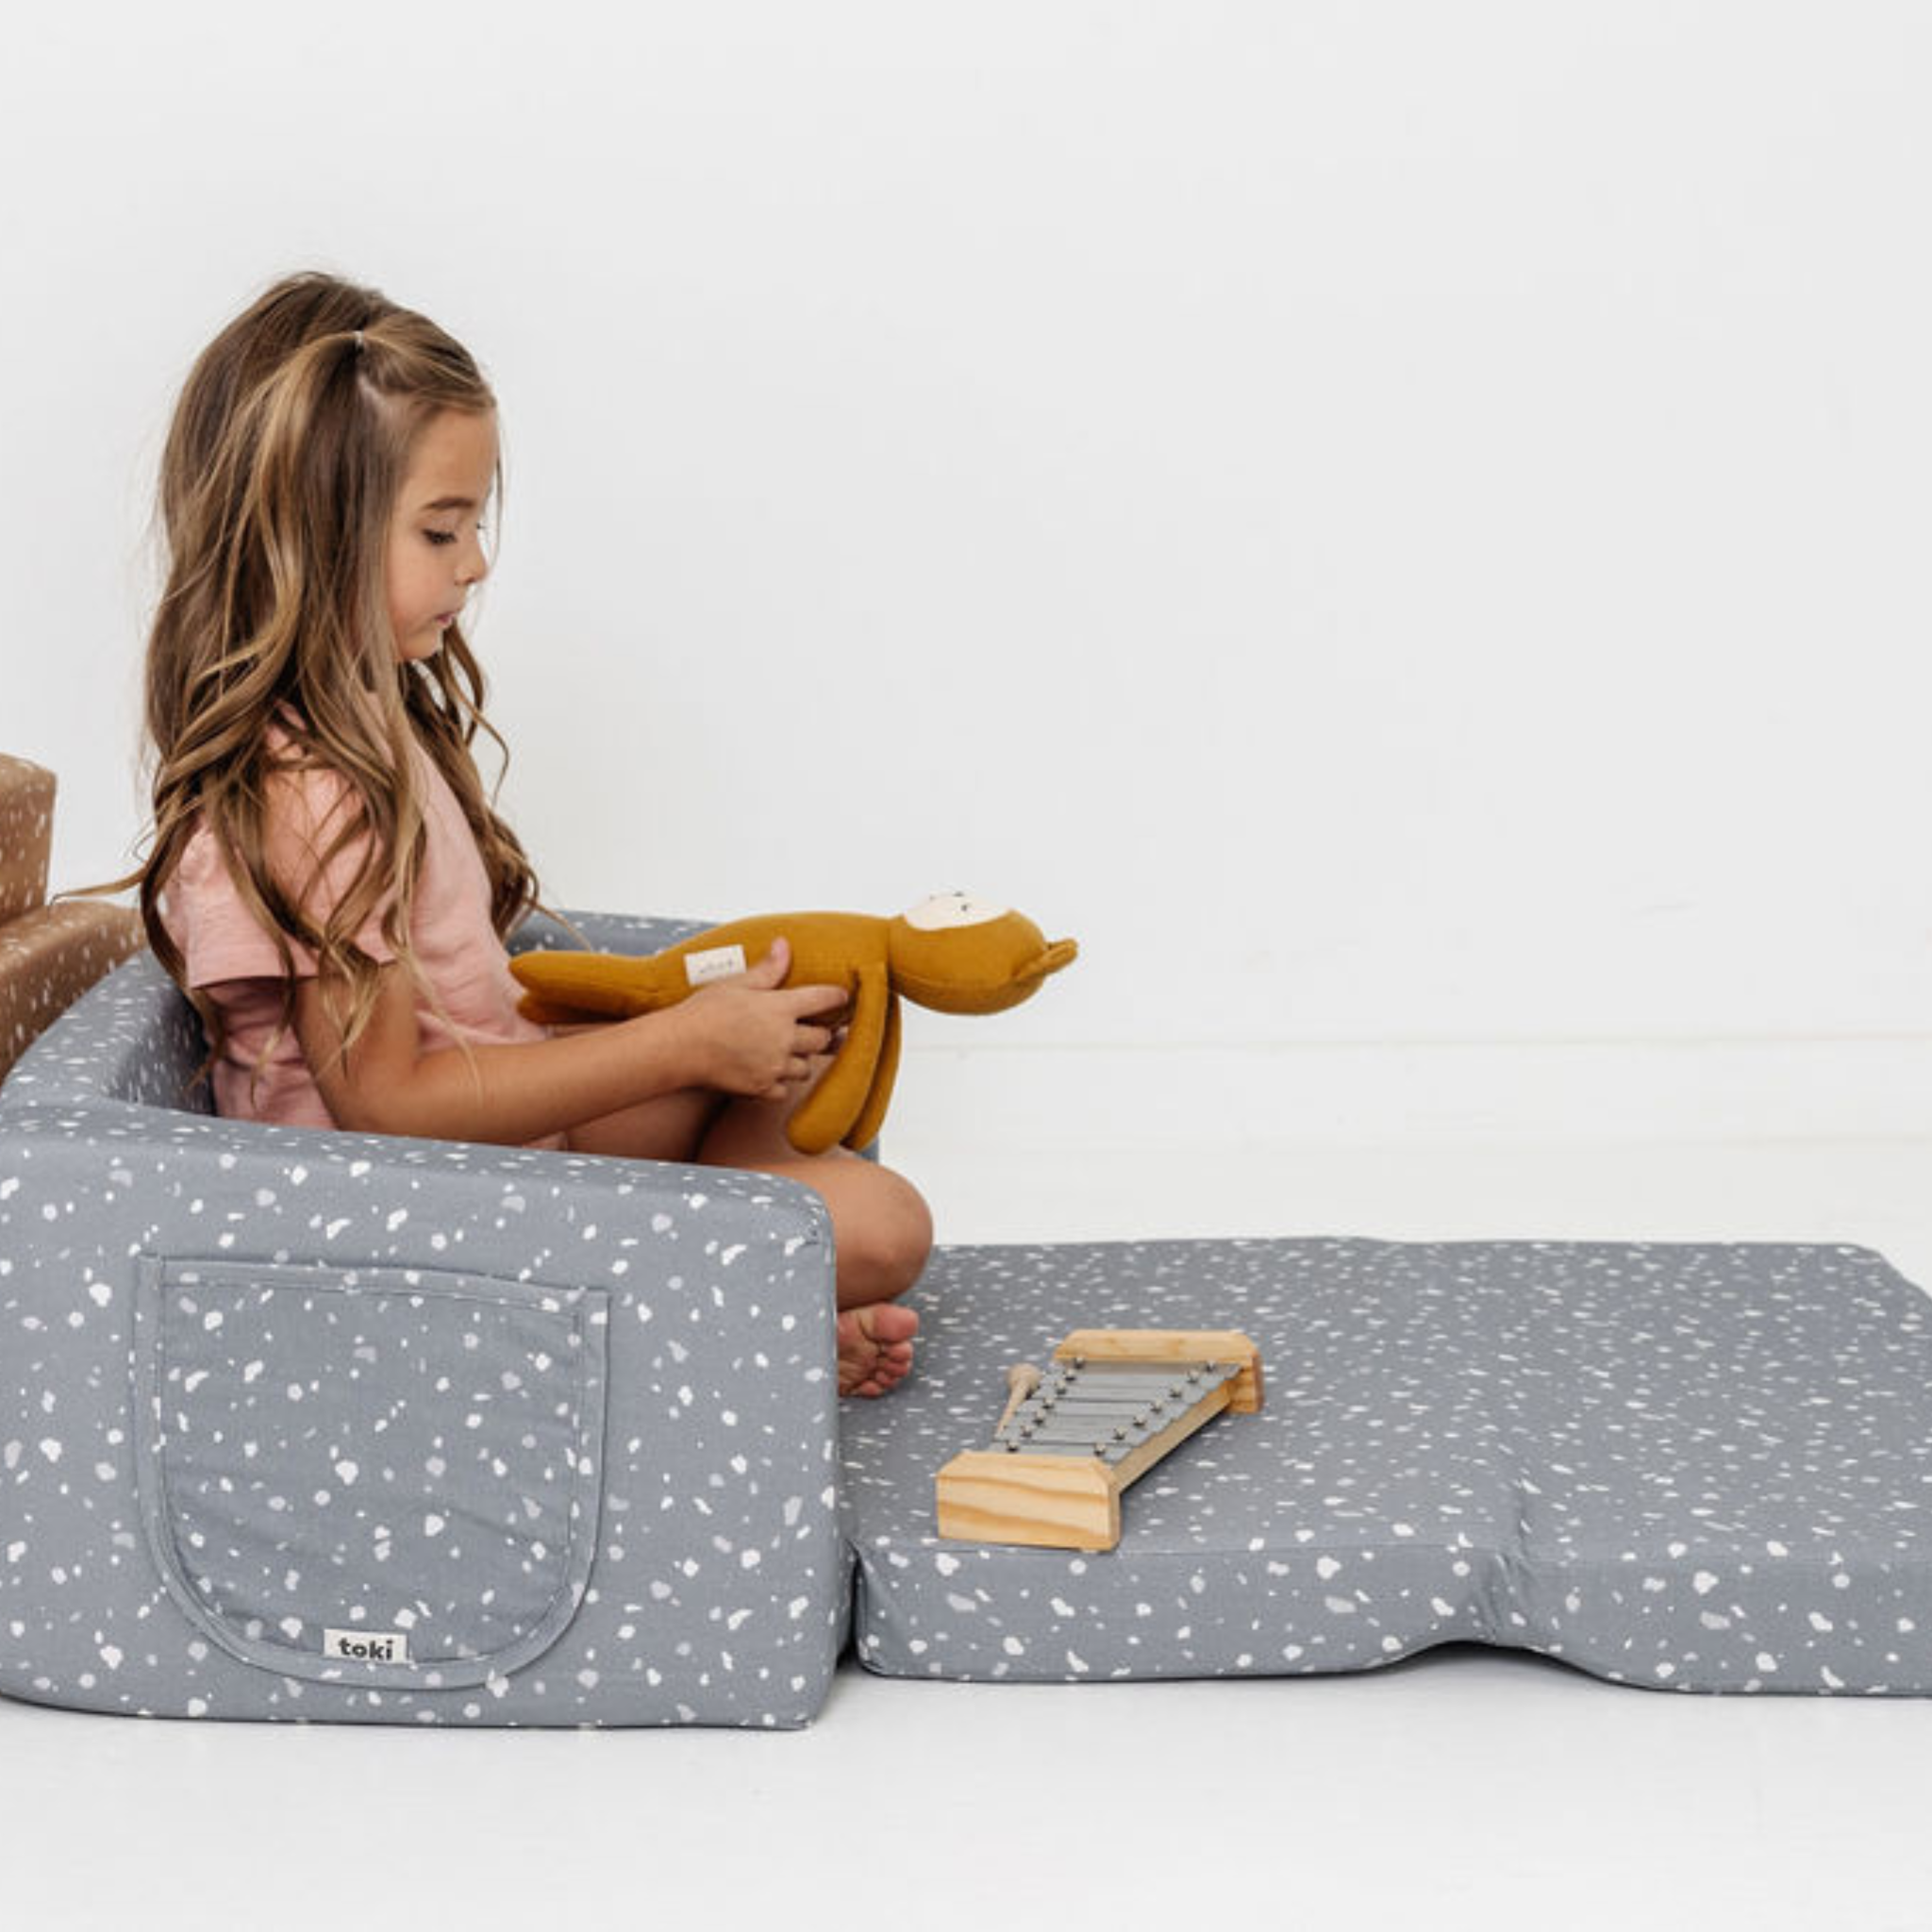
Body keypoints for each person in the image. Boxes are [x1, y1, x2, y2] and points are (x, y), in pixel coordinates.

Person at [127, 271, 928, 1395]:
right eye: (440, 529)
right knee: (882, 1224)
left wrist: (700, 1025)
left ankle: (753, 1287)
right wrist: (682, 1045)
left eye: (475, 524)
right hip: (429, 1220)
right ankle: (747, 1312)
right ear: (311, 537)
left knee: (801, 1017)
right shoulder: (309, 794)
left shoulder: (368, 729)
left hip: (504, 1152)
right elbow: (388, 1110)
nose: (476, 562)